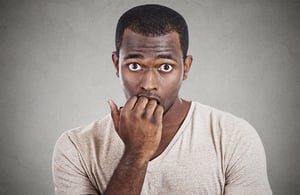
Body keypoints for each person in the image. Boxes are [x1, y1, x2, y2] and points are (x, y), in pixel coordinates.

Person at [52, 4, 272, 195]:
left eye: (165, 66)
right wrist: (136, 153)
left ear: (185, 67)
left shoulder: (233, 137)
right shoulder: (75, 147)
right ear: (116, 65)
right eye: (134, 65)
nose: (148, 83)